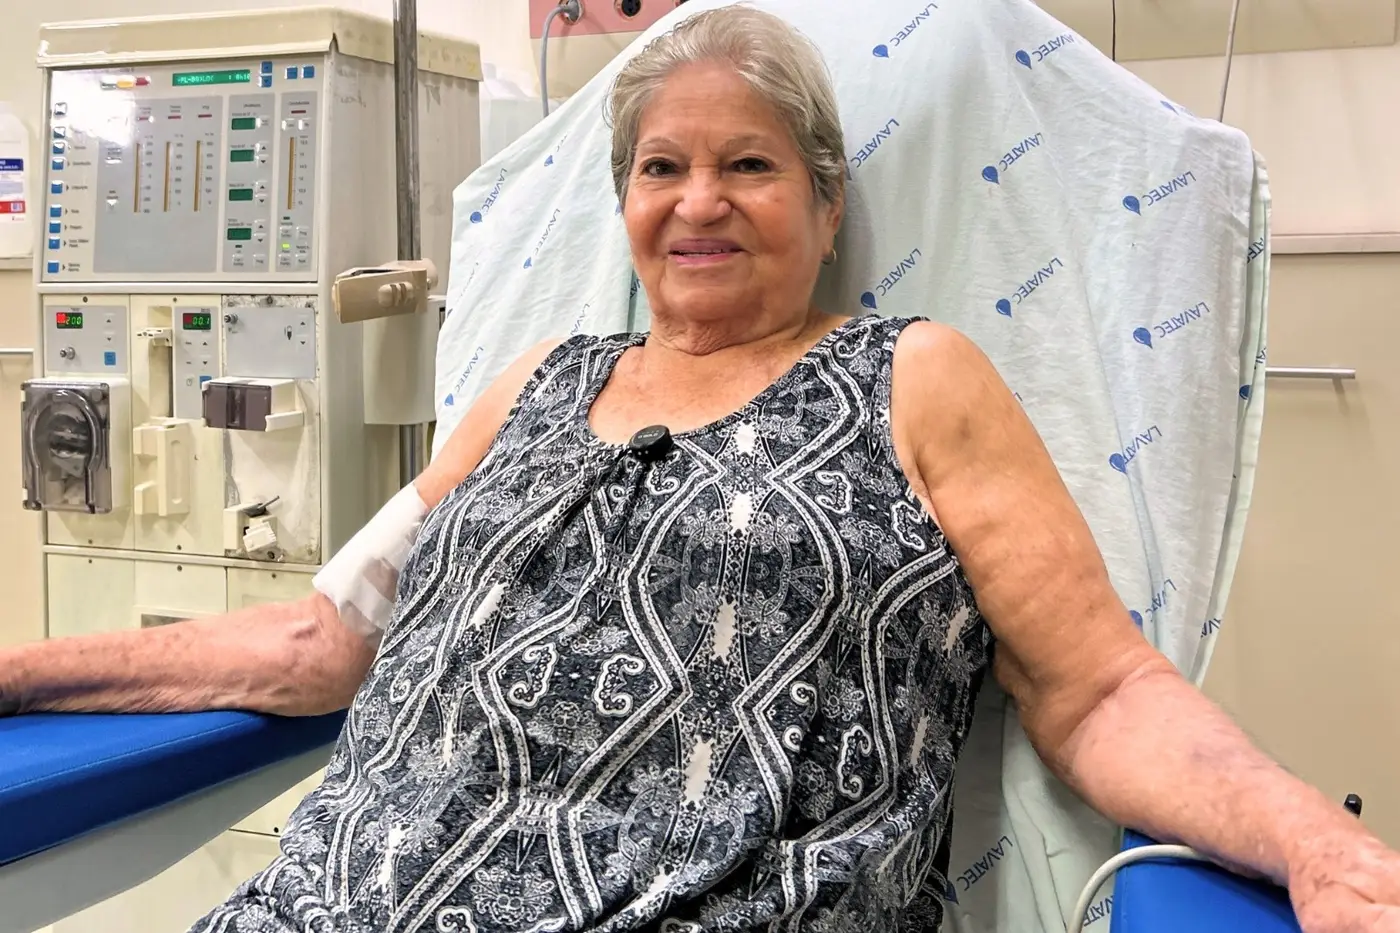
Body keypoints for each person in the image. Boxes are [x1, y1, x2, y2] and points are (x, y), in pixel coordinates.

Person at [3, 7, 1398, 932]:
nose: (700, 201)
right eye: (661, 167)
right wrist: (21, 671)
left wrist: (1314, 844)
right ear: (624, 205)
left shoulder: (917, 378)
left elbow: (1098, 691)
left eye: (751, 165)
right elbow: (324, 641)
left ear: (828, 203)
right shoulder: (535, 384)